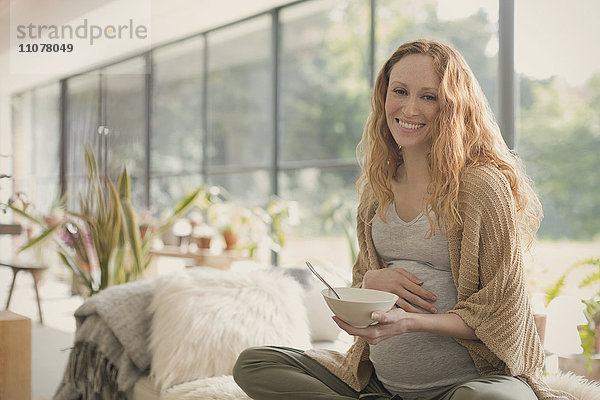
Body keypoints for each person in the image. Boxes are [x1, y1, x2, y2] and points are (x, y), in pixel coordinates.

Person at [233, 39, 576, 400]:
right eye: (400, 91)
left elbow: (503, 313)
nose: (410, 108)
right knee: (254, 364)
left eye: (429, 96)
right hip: (380, 382)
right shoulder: (377, 188)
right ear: (384, 97)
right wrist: (369, 281)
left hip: (468, 384)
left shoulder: (481, 185)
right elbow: (359, 296)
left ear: (454, 106)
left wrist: (412, 321)